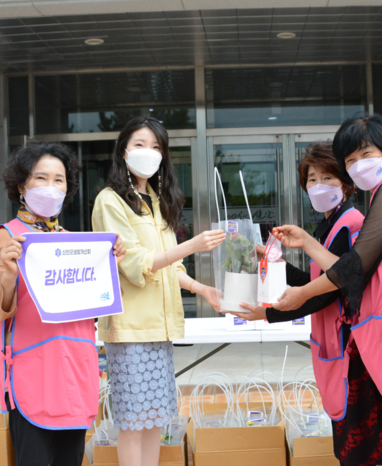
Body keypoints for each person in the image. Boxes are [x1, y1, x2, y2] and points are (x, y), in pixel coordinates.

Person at [272, 115, 382, 466]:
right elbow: (356, 270)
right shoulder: (380, 197)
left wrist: (303, 294)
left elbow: (353, 267)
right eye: (350, 160)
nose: (358, 165)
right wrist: (307, 242)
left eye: (365, 154)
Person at [230, 141, 382, 466]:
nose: (318, 186)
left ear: (346, 183)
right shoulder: (330, 225)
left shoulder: (351, 225)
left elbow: (326, 293)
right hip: (338, 347)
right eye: (311, 180)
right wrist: (276, 263)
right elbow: (314, 282)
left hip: (354, 353)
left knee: (361, 450)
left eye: (327, 178)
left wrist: (267, 314)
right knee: (353, 444)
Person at [0, 143, 127, 466]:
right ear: (22, 185)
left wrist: (108, 264)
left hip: (75, 374)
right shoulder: (6, 239)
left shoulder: (74, 242)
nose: (51, 186)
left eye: (58, 180)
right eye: (41, 178)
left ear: (67, 187)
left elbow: (92, 304)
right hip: (33, 377)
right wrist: (8, 274)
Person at [91, 116, 225, 466]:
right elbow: (137, 263)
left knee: (154, 420)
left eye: (156, 146)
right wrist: (192, 245)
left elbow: (169, 266)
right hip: (130, 329)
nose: (148, 152)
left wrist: (200, 288)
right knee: (133, 423)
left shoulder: (155, 199)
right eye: (139, 144)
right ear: (123, 151)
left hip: (159, 328)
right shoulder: (110, 201)